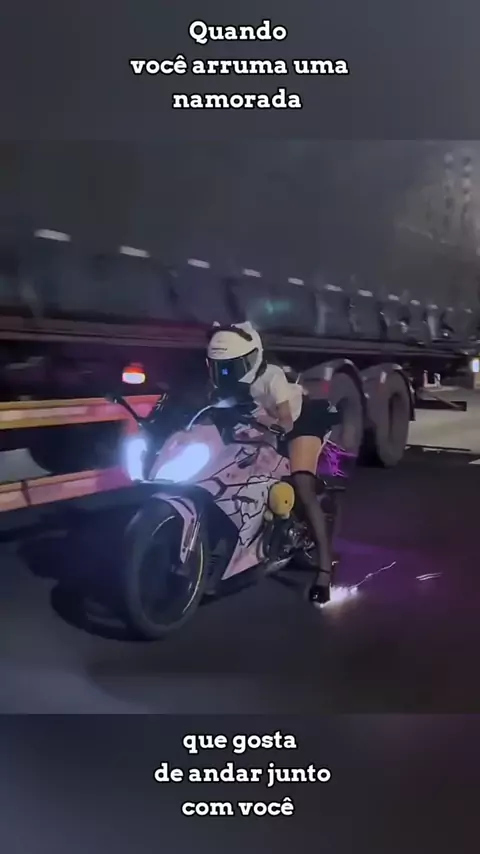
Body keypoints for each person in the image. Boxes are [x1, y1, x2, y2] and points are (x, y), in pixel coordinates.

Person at [206, 320, 340, 606]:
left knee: (303, 483)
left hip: (301, 421)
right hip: (262, 425)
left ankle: (324, 572)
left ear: (252, 358)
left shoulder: (273, 377)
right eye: (221, 367)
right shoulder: (226, 383)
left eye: (233, 366)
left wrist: (259, 420)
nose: (226, 373)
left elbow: (286, 420)